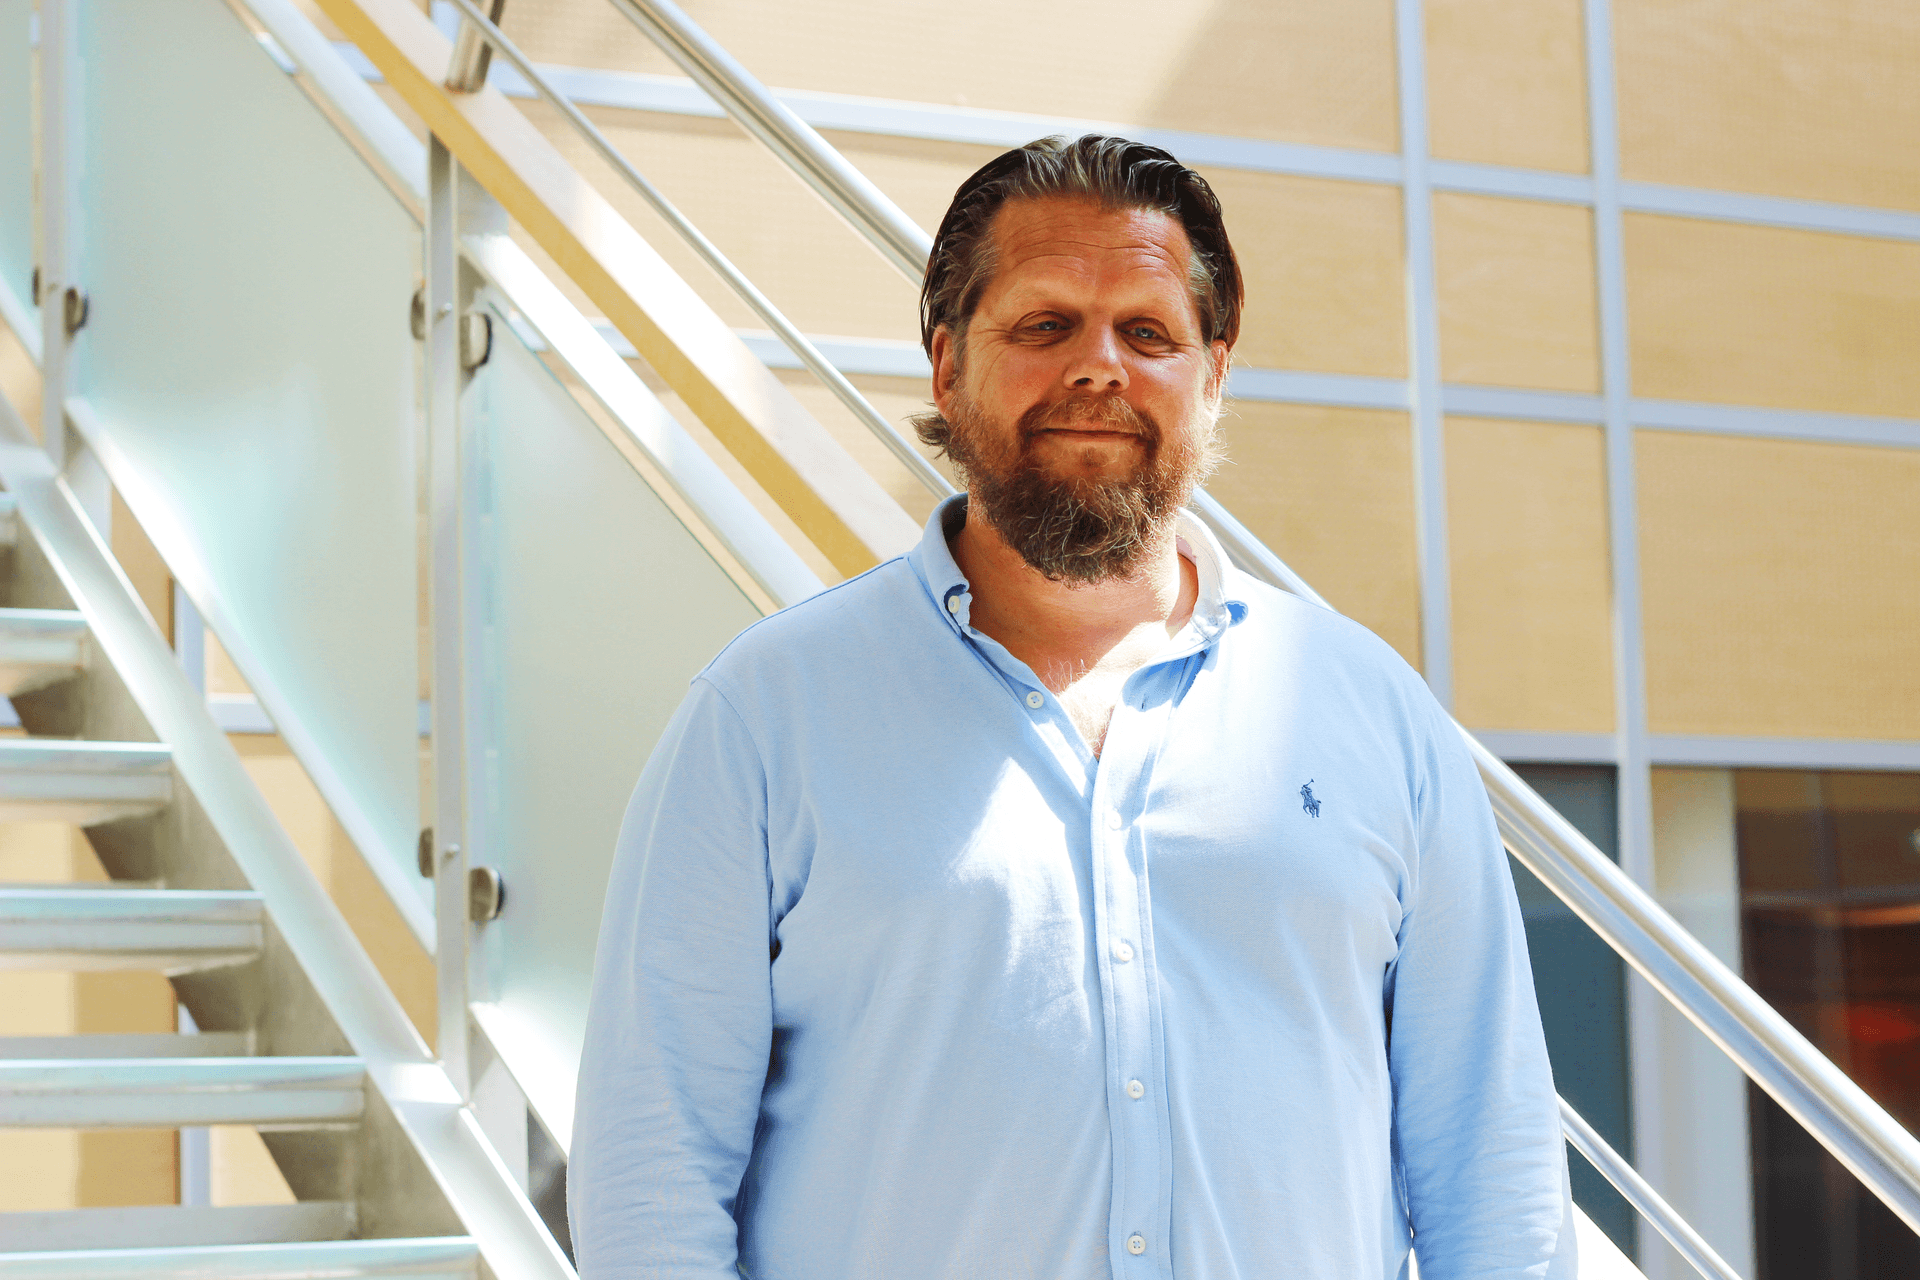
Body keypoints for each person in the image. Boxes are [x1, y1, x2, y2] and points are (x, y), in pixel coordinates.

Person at [570, 134, 1575, 1279]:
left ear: (1212, 373)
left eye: (1147, 332)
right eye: (1046, 325)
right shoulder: (762, 719)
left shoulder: (1373, 713)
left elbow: (1493, 1169)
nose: (1099, 367)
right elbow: (651, 1177)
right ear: (946, 365)